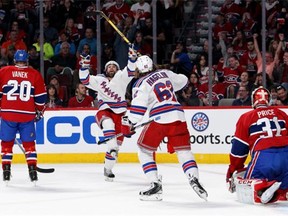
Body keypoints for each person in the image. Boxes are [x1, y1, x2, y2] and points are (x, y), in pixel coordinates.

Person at [121, 55, 208, 201]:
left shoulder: (140, 83)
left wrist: (128, 123)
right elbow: (184, 80)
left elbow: (138, 110)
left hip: (160, 118)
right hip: (178, 116)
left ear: (138, 70)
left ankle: (155, 185)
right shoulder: (166, 73)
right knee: (184, 151)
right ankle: (194, 178)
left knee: (144, 150)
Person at [79, 46, 137, 181]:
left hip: (121, 115)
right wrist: (84, 65)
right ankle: (110, 150)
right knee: (108, 125)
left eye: (114, 66)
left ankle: (108, 168)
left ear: (117, 69)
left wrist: (132, 57)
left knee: (114, 150)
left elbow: (130, 69)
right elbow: (85, 80)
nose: (111, 68)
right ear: (105, 70)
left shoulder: (121, 77)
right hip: (105, 111)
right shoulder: (99, 80)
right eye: (109, 66)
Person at [226, 86, 288, 204]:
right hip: (286, 155)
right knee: (284, 182)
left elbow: (238, 151)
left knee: (247, 184)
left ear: (253, 101)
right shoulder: (281, 114)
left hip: (264, 156)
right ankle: (283, 190)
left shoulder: (247, 117)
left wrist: (233, 170)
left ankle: (262, 188)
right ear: (268, 100)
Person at [0, 50, 47, 183]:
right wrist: (39, 111)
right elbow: (40, 99)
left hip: (8, 113)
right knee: (29, 144)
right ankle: (32, 172)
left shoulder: (4, 71)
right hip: (27, 115)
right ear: (27, 60)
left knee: (7, 143)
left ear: (14, 60)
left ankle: (6, 172)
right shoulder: (34, 74)